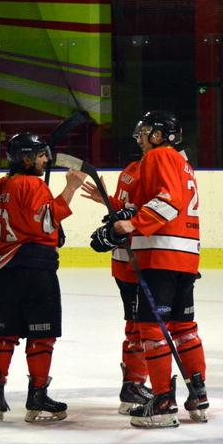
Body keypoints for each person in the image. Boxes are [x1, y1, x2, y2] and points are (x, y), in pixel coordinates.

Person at [93, 111, 209, 427]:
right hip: (186, 256)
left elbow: (167, 202)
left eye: (145, 131)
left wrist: (133, 223)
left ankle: (163, 402)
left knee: (152, 330)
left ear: (159, 135)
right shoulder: (183, 163)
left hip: (160, 255)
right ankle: (198, 395)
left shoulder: (158, 156)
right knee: (184, 328)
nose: (141, 137)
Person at [0, 132, 86, 422]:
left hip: (3, 271)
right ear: (25, 158)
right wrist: (70, 189)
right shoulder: (32, 184)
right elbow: (46, 221)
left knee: (4, 335)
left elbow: (23, 220)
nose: (45, 160)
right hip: (35, 269)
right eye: (40, 155)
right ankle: (37, 395)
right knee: (42, 335)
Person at [81, 153, 153, 415]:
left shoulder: (131, 168)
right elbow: (137, 213)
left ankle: (133, 385)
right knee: (139, 327)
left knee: (137, 325)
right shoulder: (145, 170)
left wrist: (108, 201)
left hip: (125, 260)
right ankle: (133, 386)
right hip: (136, 260)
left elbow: (125, 209)